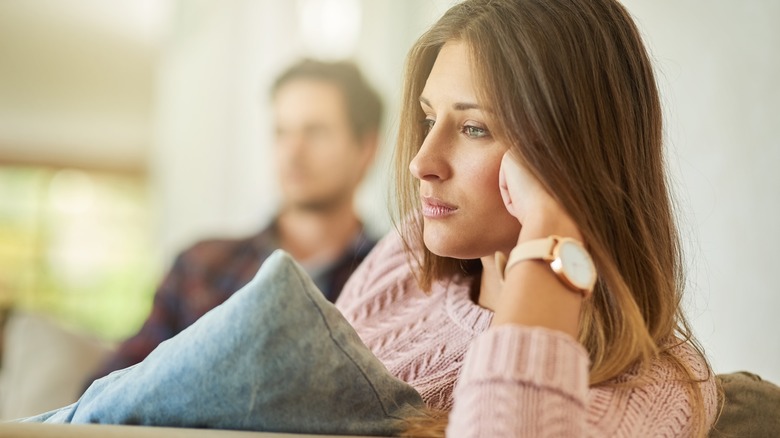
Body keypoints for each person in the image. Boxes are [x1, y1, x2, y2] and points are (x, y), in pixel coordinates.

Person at [333, 0, 718, 435]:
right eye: (428, 120)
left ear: (570, 153)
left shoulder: (656, 386)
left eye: (474, 128)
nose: (421, 163)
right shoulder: (407, 262)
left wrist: (551, 231)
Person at [86, 59, 383, 384]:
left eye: (315, 132)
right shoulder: (201, 267)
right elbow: (108, 389)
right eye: (281, 132)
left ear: (366, 149)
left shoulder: (397, 279)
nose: (292, 152)